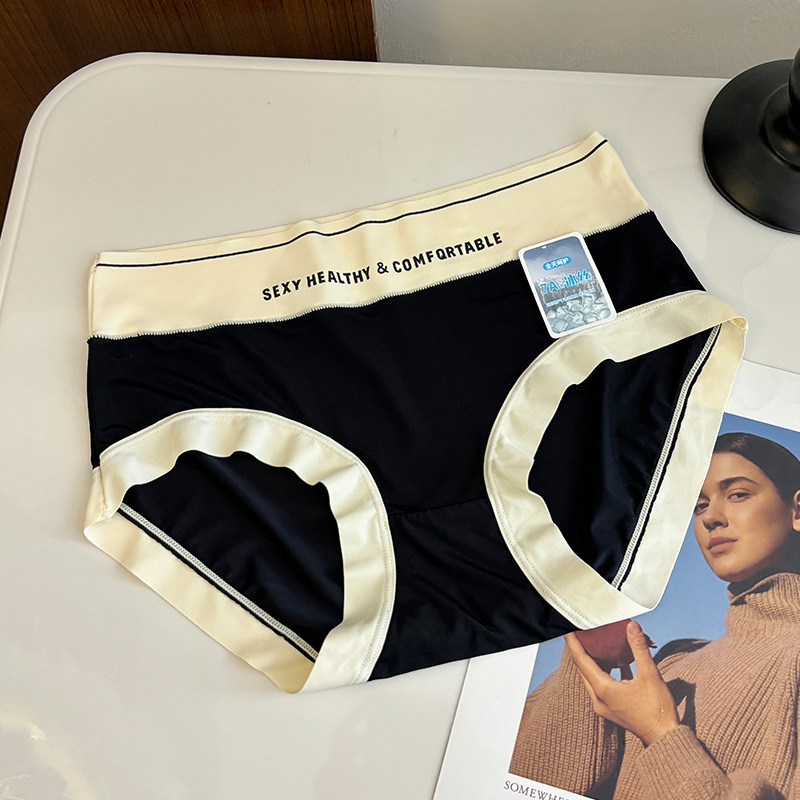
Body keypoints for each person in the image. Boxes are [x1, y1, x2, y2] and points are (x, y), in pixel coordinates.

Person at [509, 432, 800, 800]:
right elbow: (522, 783)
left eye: (738, 494)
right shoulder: (673, 662)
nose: (710, 517)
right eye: (699, 505)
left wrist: (658, 730)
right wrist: (590, 661)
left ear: (797, 511)